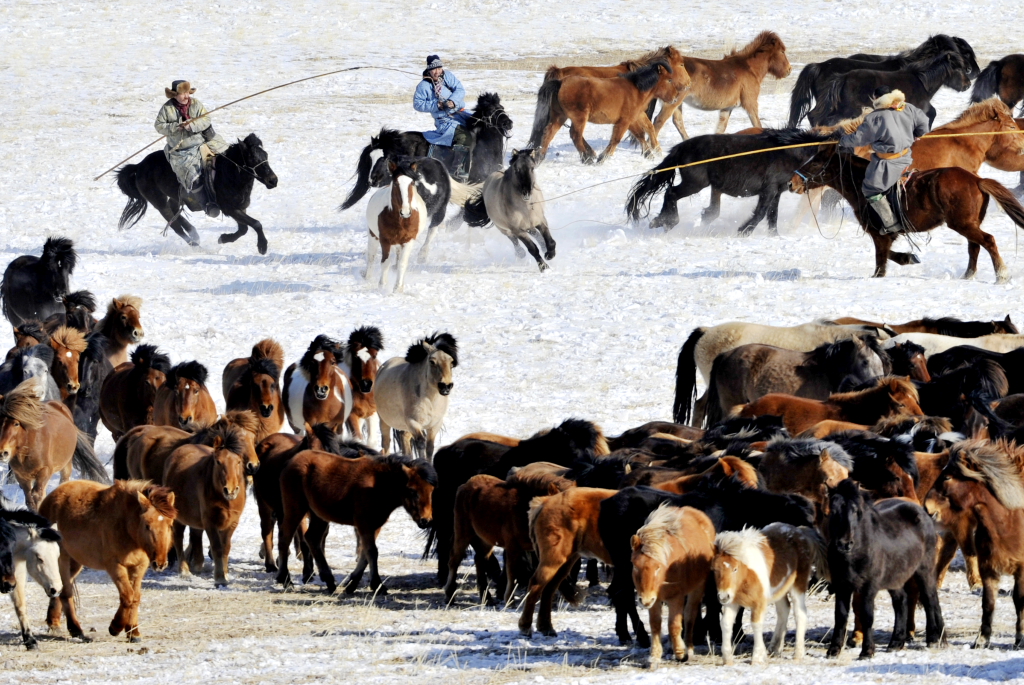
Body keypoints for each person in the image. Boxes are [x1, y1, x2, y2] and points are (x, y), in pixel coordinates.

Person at [838, 86, 930, 234]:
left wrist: (841, 141)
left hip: (889, 163)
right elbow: (924, 123)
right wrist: (916, 133)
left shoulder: (875, 117)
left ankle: (890, 224)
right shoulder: (908, 107)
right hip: (906, 156)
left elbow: (859, 138)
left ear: (876, 99)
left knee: (870, 189)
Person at [154, 80, 228, 218]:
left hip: (202, 141)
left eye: (188, 92)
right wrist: (176, 126)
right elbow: (159, 126)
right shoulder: (167, 108)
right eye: (182, 93)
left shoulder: (196, 104)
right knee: (191, 174)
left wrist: (192, 125)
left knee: (227, 155)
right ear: (174, 95)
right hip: (181, 149)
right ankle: (207, 205)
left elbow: (206, 119)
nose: (186, 96)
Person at [413, 55, 472, 180]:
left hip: (461, 113)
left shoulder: (447, 76)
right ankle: (456, 172)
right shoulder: (424, 86)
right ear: (429, 69)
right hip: (445, 120)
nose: (437, 71)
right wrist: (437, 105)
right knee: (464, 136)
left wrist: (452, 101)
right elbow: (417, 104)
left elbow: (460, 89)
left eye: (439, 68)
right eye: (434, 69)